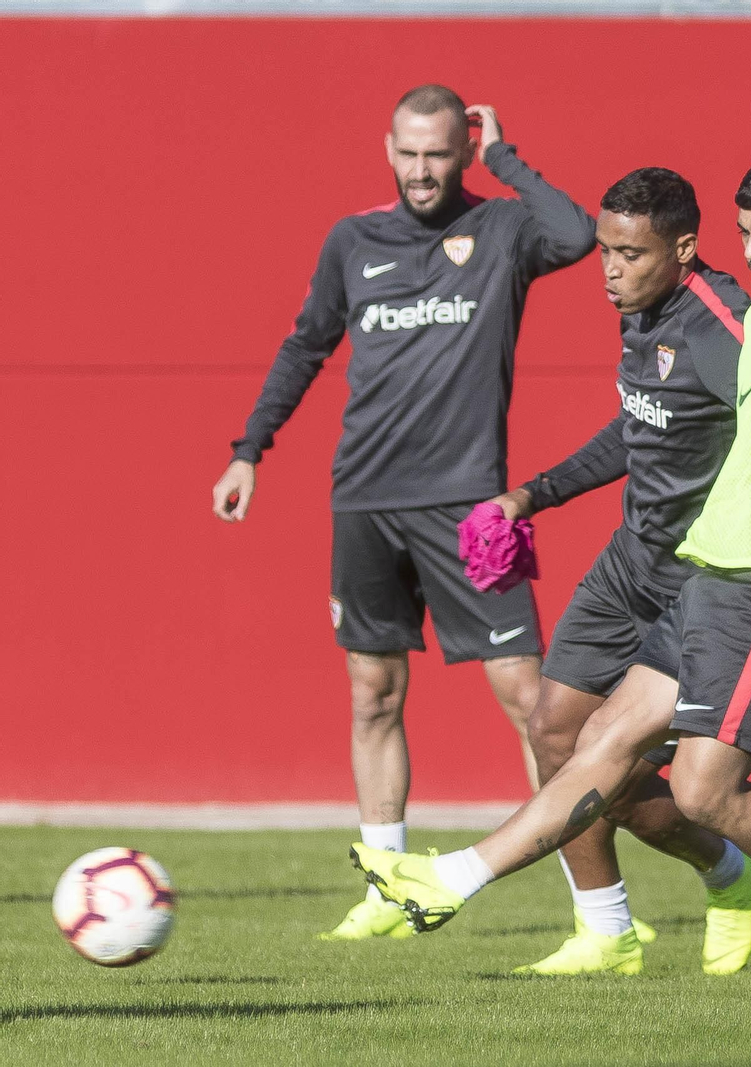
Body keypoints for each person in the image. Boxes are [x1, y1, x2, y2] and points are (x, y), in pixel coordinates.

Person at [352, 148, 751, 987]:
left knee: (703, 792)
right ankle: (454, 881)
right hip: (713, 565)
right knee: (592, 742)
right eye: (747, 234)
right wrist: (535, 494)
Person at [211, 86, 596, 941]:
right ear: (387, 149)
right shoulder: (354, 240)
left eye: (439, 154)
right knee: (373, 692)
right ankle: (388, 884)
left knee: (534, 703)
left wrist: (506, 159)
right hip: (366, 501)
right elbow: (306, 343)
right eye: (409, 153)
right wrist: (250, 449)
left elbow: (576, 232)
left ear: (460, 151)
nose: (423, 171)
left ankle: (594, 910)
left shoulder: (501, 231)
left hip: (473, 509)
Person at [482, 166, 751, 977]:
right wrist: (533, 493)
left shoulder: (729, 327)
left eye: (630, 254)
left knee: (657, 793)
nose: (610, 269)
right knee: (551, 730)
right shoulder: (641, 314)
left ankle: (731, 870)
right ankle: (606, 929)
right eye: (606, 251)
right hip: (627, 565)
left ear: (683, 248)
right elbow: (637, 426)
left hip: (699, 585)